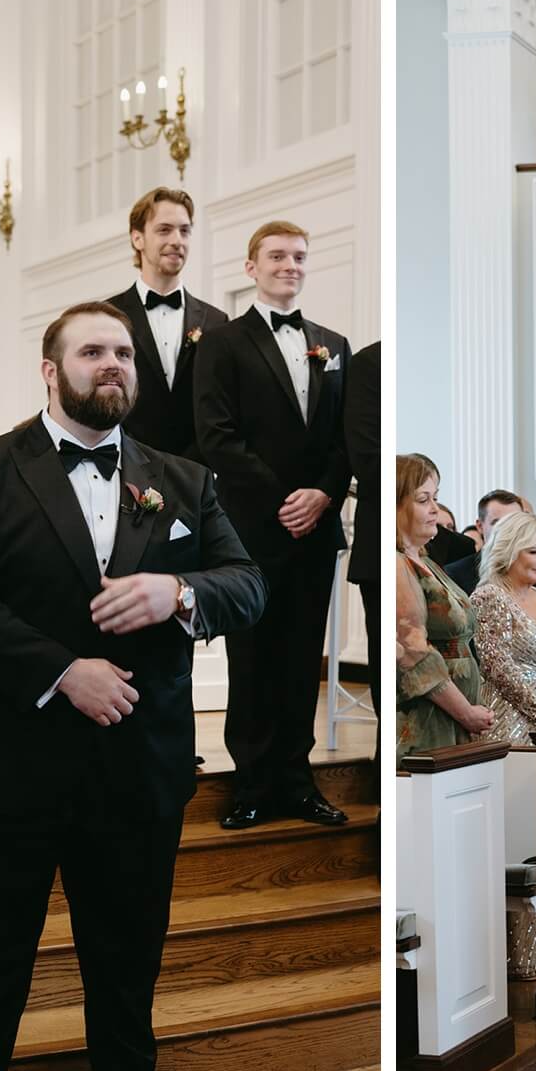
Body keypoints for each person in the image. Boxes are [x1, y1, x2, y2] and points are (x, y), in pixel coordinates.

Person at [0, 301, 267, 1071]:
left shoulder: (182, 479)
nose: (111, 364)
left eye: (121, 352)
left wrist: (175, 597)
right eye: (90, 351)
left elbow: (247, 586)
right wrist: (63, 670)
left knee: (129, 941)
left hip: (138, 761)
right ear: (50, 369)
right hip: (7, 757)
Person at [194, 220, 351, 830]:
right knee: (253, 656)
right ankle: (253, 784)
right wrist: (287, 496)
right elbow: (217, 436)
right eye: (278, 256)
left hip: (316, 529)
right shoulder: (222, 343)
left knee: (299, 657)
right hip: (253, 529)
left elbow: (344, 438)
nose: (291, 264)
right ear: (251, 267)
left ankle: (298, 780)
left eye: (300, 256)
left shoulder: (332, 343)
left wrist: (324, 496)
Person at [107, 187, 229, 460]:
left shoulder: (216, 320)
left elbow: (221, 405)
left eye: (185, 231)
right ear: (137, 238)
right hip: (128, 467)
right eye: (164, 230)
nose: (177, 240)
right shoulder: (108, 316)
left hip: (199, 473)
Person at [396, 456, 491, 762]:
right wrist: (466, 713)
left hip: (453, 716)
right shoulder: (397, 563)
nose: (435, 509)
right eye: (424, 500)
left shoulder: (425, 560)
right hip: (430, 720)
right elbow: (414, 653)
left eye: (435, 498)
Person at [472, 511, 536, 743]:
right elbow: (496, 666)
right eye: (533, 552)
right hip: (506, 722)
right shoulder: (489, 597)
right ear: (509, 551)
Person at [343, 341, 381, 767]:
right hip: (379, 540)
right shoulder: (370, 363)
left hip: (421, 546)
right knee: (384, 666)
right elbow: (364, 456)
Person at [446, 488, 525, 596]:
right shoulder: (455, 575)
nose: (507, 530)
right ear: (480, 526)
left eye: (513, 523)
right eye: (498, 523)